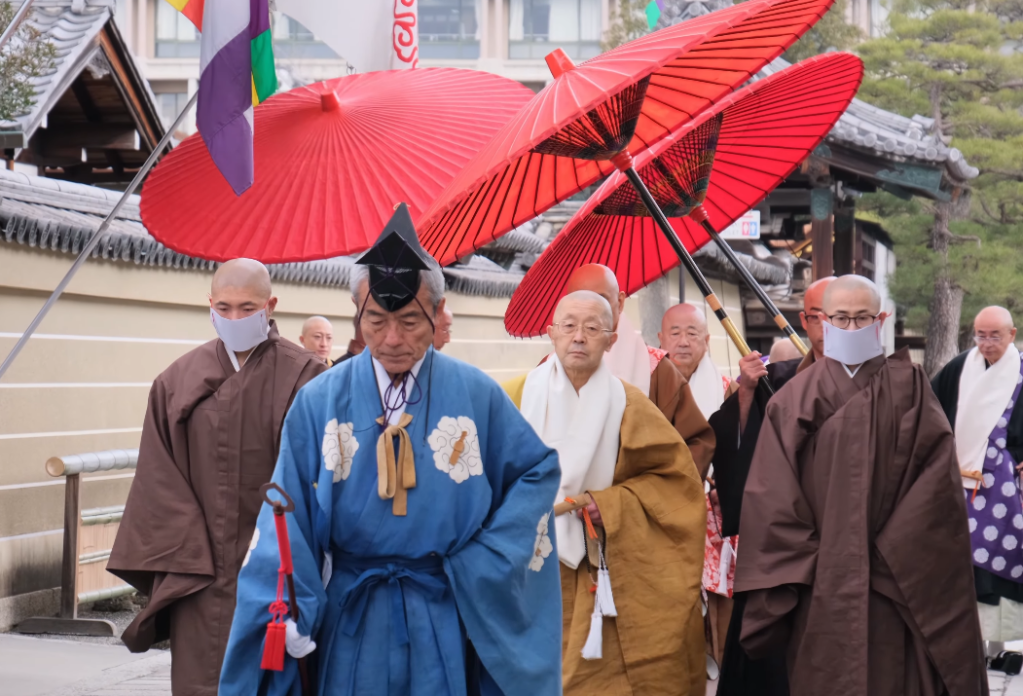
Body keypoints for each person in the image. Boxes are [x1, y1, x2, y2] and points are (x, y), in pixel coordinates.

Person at [219, 204, 562, 695]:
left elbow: (535, 472)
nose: (393, 339)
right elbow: (285, 514)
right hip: (352, 614)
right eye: (376, 321)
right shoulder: (320, 401)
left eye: (409, 321)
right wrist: (287, 606)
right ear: (357, 315)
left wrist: (479, 566)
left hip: (443, 606)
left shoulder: (476, 394)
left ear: (439, 314)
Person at [734, 274, 988, 696]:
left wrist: (889, 550)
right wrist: (820, 559)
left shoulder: (912, 390)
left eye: (861, 318)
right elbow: (771, 499)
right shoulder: (793, 400)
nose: (851, 328)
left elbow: (937, 485)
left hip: (897, 580)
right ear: (823, 321)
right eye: (841, 319)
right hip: (822, 582)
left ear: (880, 320)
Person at [107, 259, 327, 696]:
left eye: (247, 308)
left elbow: (320, 477)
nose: (234, 318)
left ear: (271, 305)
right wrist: (189, 557)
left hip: (280, 569)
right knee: (201, 681)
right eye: (223, 307)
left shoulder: (308, 376)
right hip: (200, 570)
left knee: (279, 680)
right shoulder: (176, 381)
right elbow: (157, 479)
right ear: (209, 305)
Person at [503, 290, 707, 696]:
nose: (579, 337)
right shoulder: (512, 397)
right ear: (551, 333)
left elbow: (677, 486)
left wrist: (611, 505)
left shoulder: (631, 404)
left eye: (593, 328)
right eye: (569, 326)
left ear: (612, 339)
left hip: (606, 565)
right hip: (531, 564)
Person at [708, 277, 832, 696]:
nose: (831, 326)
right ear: (804, 320)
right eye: (819, 316)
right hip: (786, 532)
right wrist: (744, 390)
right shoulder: (774, 379)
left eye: (845, 316)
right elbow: (736, 443)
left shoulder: (881, 379)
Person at [523, 263, 715, 477]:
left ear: (620, 302)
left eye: (602, 299)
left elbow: (695, 443)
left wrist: (643, 496)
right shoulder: (545, 372)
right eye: (582, 299)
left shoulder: (656, 370)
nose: (593, 309)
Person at [932, 306, 1023, 662]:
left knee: (1005, 560)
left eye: (994, 336)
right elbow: (931, 409)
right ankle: (968, 646)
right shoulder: (959, 368)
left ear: (1012, 335)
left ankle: (1004, 648)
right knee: (964, 561)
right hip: (960, 480)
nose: (985, 343)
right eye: (980, 335)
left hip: (1007, 486)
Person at [659, 303, 732, 418]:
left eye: (692, 334)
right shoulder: (645, 382)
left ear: (706, 341)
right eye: (675, 334)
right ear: (661, 339)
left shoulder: (728, 389)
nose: (683, 342)